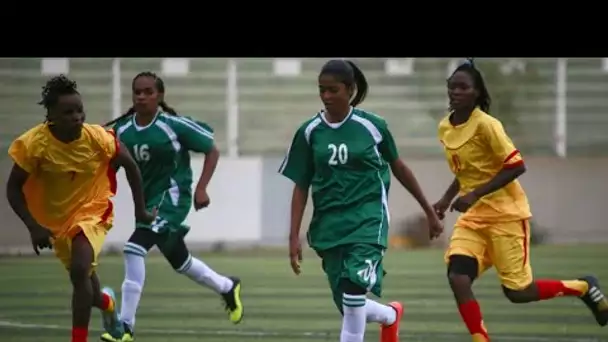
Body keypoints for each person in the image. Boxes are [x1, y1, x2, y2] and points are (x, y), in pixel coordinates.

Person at [434, 58, 608, 342]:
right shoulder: (445, 127)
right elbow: (465, 171)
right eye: (452, 87)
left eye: (463, 87)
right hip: (474, 220)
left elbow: (516, 166)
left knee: (518, 292)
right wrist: (444, 200)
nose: (455, 92)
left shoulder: (488, 125)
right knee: (458, 278)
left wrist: (475, 194)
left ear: (476, 92)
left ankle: (583, 287)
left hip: (506, 217)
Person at [279, 59, 444, 342]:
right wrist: (293, 236)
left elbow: (400, 168)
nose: (327, 96)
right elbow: (301, 185)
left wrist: (429, 211)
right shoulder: (309, 132)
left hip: (368, 220)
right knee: (348, 306)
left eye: (333, 90)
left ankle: (386, 317)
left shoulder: (373, 126)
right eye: (322, 90)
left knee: (354, 296)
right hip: (329, 226)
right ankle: (390, 316)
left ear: (350, 90)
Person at [5, 75, 155, 342]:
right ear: (51, 115)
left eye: (79, 110)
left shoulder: (97, 138)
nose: (76, 117)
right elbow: (13, 189)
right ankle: (108, 304)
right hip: (56, 221)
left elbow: (130, 165)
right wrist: (33, 226)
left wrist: (140, 212)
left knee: (79, 269)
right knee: (86, 284)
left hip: (93, 209)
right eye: (68, 112)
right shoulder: (34, 145)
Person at [99, 71, 243, 342]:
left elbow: (211, 149)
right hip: (146, 205)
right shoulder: (122, 131)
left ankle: (125, 327)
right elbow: (110, 163)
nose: (141, 97)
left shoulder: (173, 126)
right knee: (181, 261)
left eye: (148, 92)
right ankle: (227, 286)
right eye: (137, 92)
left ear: (160, 95)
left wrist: (201, 188)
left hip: (172, 199)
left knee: (133, 249)